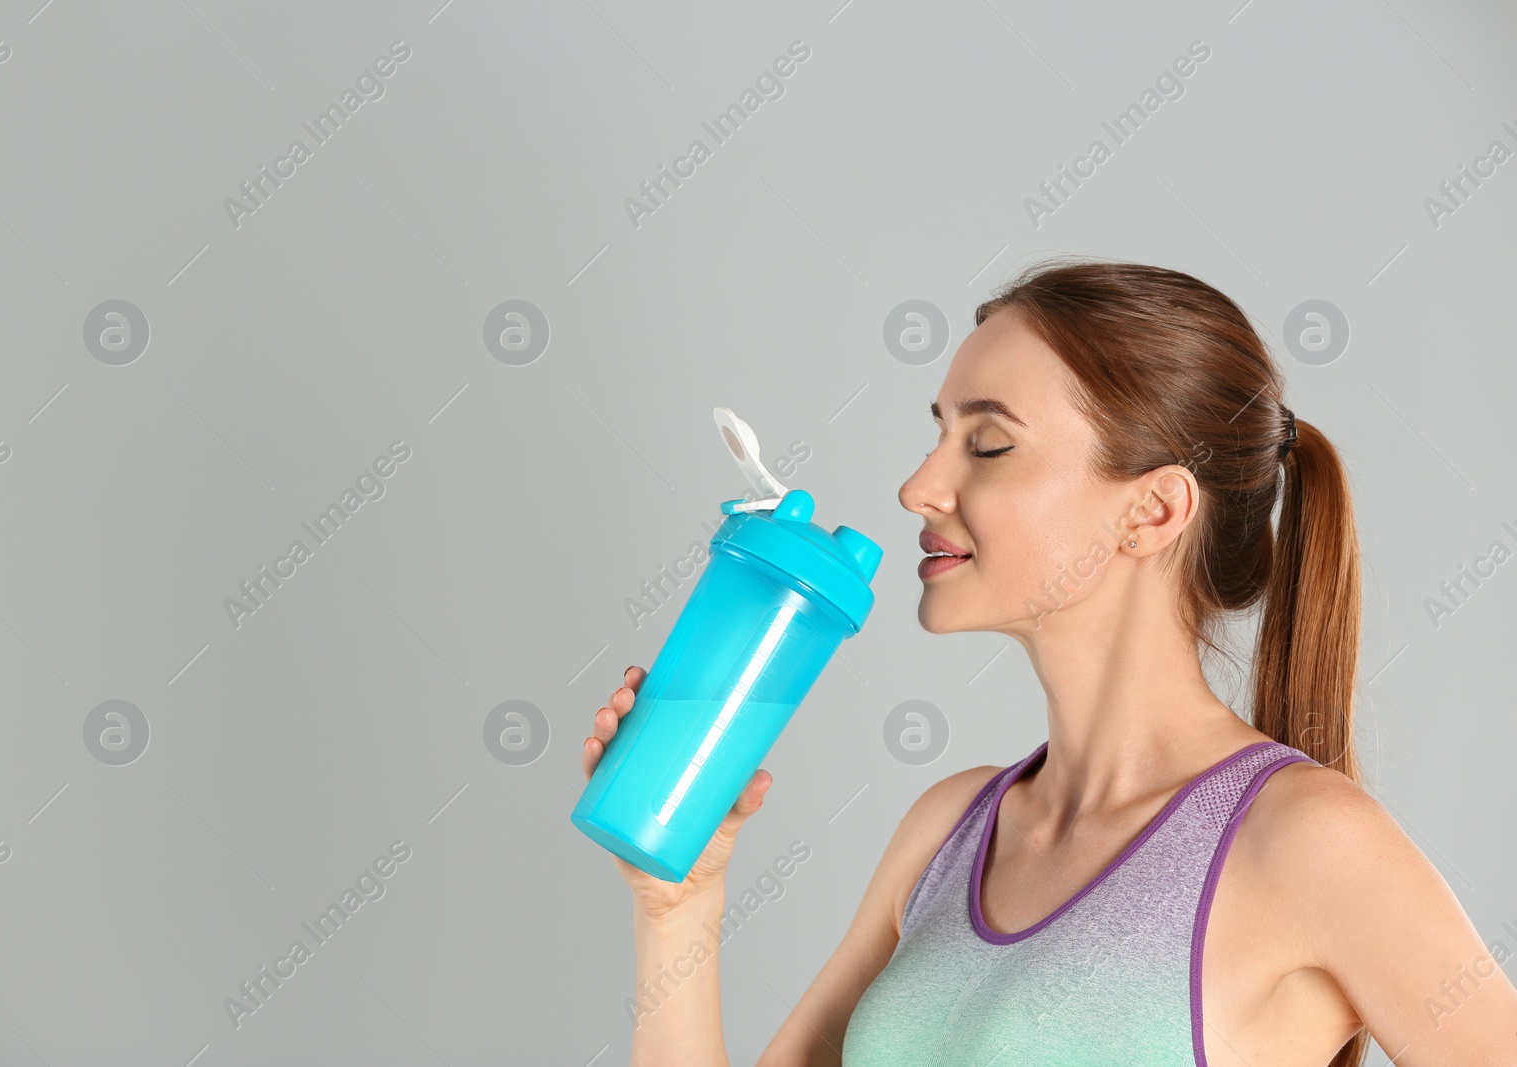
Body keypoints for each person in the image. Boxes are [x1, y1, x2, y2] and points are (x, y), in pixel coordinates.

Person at [580, 257, 1517, 1066]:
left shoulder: (1307, 841)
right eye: (940, 431)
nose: (919, 485)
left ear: (1152, 511)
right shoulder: (947, 828)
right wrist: (680, 906)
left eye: (987, 443)